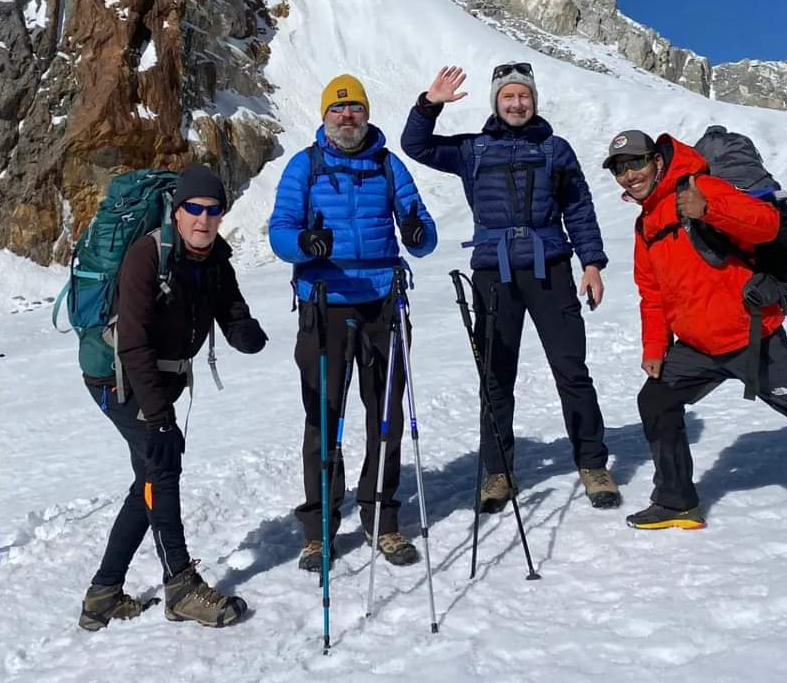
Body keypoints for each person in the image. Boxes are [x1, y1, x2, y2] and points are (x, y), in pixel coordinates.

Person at [603, 129, 787, 528]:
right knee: (656, 401)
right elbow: (653, 294)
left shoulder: (702, 186)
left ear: (657, 161)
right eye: (620, 169)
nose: (629, 175)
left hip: (751, 338)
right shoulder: (646, 225)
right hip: (696, 348)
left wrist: (707, 209)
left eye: (636, 162)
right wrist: (655, 347)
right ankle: (677, 502)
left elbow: (765, 225)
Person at [401, 63, 619, 511]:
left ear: (533, 101)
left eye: (523, 96)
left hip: (550, 270)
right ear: (496, 103)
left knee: (571, 371)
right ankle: (498, 473)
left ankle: (593, 464)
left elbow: (578, 207)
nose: (517, 103)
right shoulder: (472, 150)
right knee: (496, 377)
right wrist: (430, 104)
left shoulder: (556, 150)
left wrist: (592, 263)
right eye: (508, 97)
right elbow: (415, 145)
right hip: (493, 275)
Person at [79, 165, 268, 629]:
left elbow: (230, 304)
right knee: (162, 469)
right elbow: (134, 343)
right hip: (118, 379)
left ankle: (103, 594)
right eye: (194, 209)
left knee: (149, 478)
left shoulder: (214, 258)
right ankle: (180, 585)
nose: (203, 219)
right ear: (178, 211)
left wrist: (243, 329)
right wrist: (161, 420)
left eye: (213, 210)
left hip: (156, 381)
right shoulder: (147, 256)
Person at [269, 73, 438, 571]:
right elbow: (280, 229)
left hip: (383, 303)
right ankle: (319, 529)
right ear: (325, 117)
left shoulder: (388, 166)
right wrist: (306, 245)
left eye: (355, 109)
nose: (347, 118)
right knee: (324, 419)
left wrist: (414, 230)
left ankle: (382, 518)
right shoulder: (305, 166)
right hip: (325, 302)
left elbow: (424, 236)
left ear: (366, 113)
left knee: (384, 418)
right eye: (338, 110)